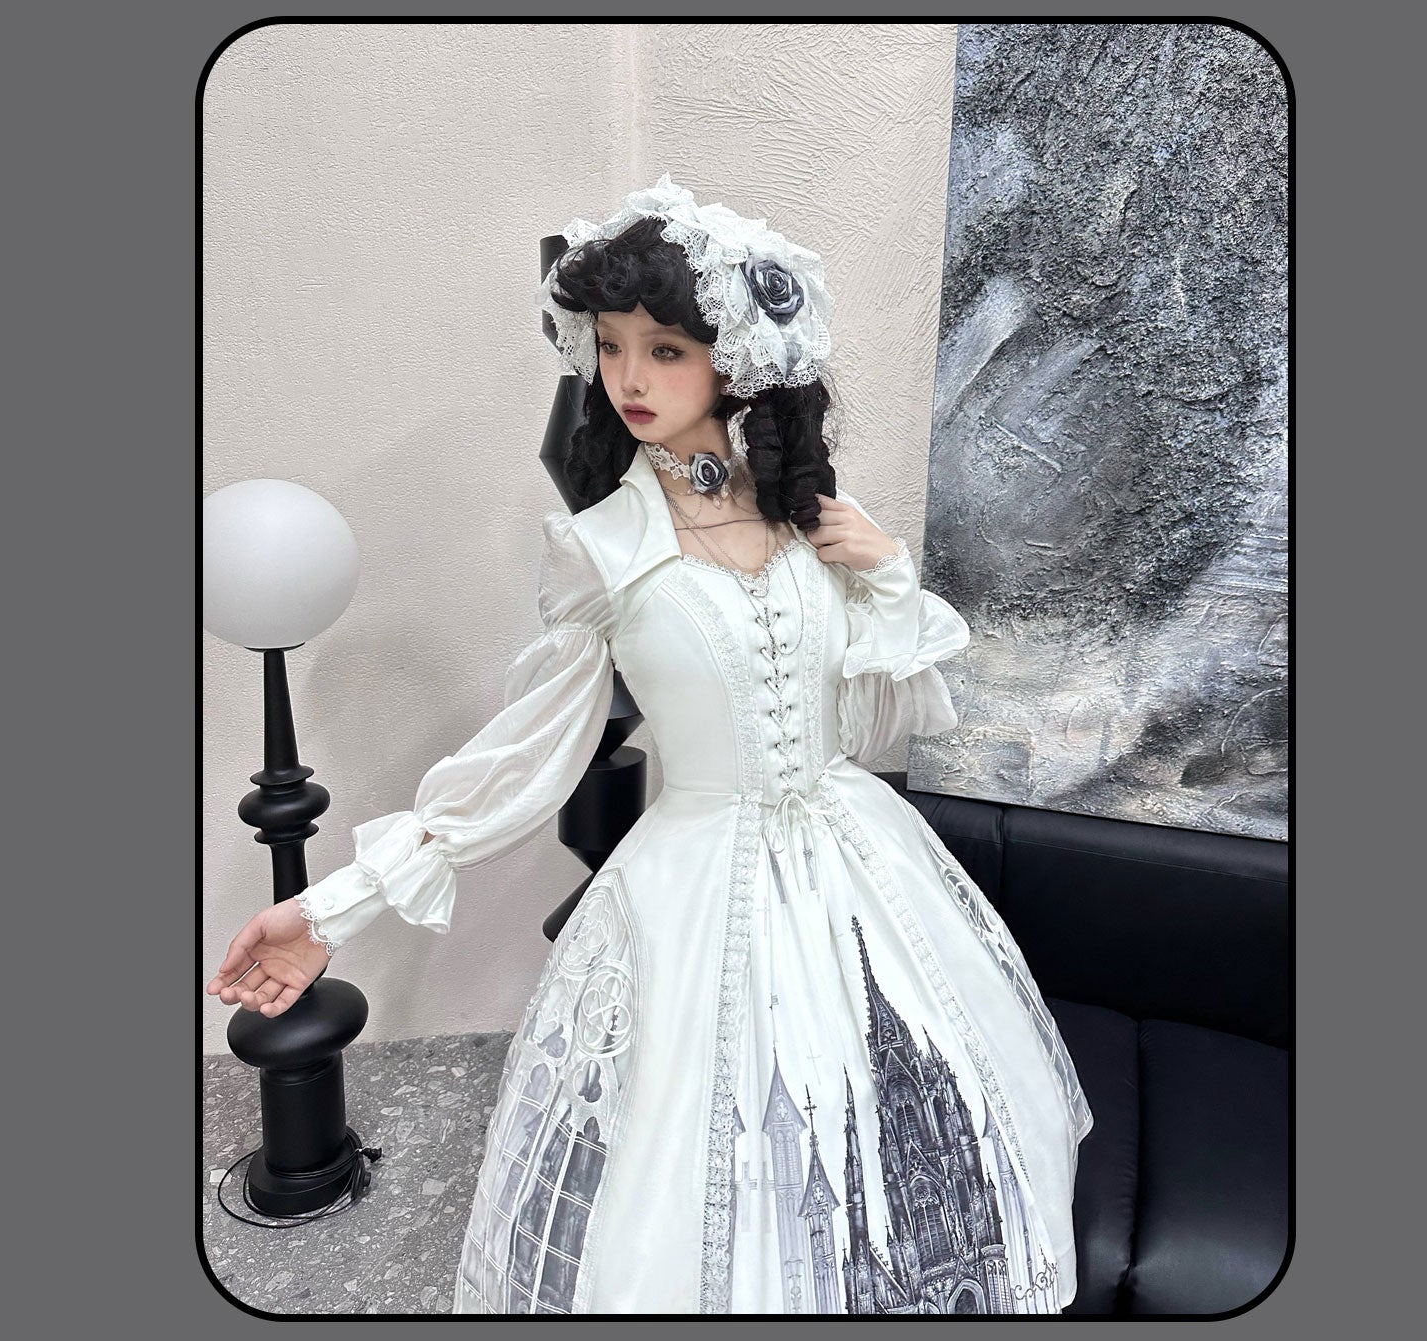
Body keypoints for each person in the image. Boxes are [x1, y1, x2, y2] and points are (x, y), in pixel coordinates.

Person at [206, 174, 1093, 1315]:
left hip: (862, 865)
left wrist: (886, 578)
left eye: (665, 350)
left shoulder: (818, 520)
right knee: (700, 1170)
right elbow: (526, 757)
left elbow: (870, 727)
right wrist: (329, 910)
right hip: (696, 887)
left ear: (734, 362)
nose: (628, 377)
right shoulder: (602, 548)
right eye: (612, 346)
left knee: (905, 1132)